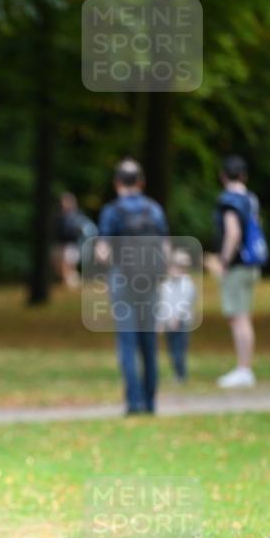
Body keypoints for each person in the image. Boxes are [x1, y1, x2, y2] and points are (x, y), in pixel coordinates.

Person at [95, 158, 169, 415]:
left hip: (123, 280)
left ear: (117, 182)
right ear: (141, 182)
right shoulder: (154, 209)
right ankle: (150, 402)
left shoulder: (112, 211)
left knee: (127, 341)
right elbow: (165, 248)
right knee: (149, 342)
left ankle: (134, 402)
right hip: (150, 281)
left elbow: (103, 252)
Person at [213, 155, 264, 388]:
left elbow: (233, 233)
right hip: (252, 263)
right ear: (244, 176)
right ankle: (245, 368)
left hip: (237, 265)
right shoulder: (251, 199)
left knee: (238, 318)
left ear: (223, 176)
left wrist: (223, 260)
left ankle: (244, 369)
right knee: (244, 316)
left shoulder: (229, 200)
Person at [157, 248, 196, 383]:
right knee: (171, 350)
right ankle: (177, 373)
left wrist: (177, 317)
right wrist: (160, 322)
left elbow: (185, 302)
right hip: (168, 323)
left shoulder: (187, 284)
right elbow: (162, 304)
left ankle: (181, 375)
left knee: (179, 350)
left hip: (181, 323)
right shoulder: (165, 285)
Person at [50, 192, 98, 288]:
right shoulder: (59, 216)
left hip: (72, 246)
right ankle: (71, 284)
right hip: (61, 245)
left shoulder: (78, 217)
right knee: (61, 268)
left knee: (67, 267)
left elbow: (91, 231)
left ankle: (73, 286)